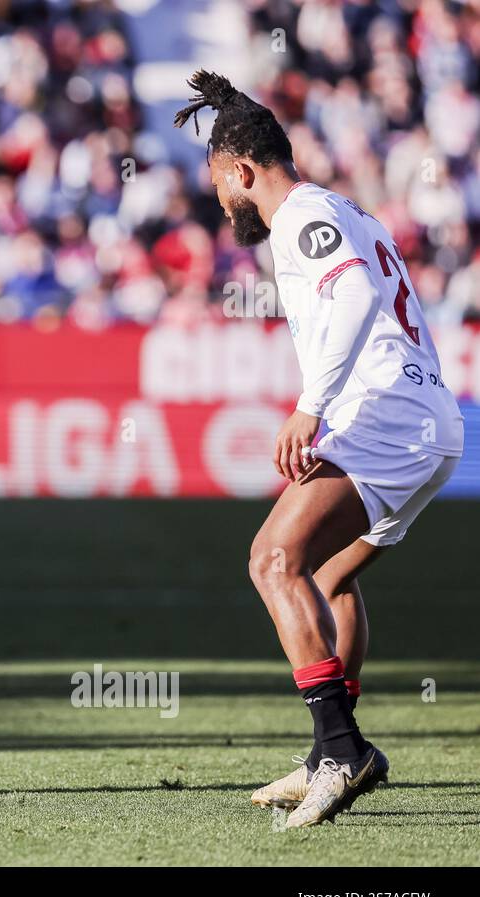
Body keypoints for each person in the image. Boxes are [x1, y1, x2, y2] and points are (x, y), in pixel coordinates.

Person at [174, 72, 465, 827]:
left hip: (390, 419)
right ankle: (331, 751)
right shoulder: (339, 208)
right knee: (329, 577)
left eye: (219, 186)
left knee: (272, 560)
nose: (221, 204)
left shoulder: (302, 215)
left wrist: (310, 409)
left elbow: (357, 297)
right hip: (428, 421)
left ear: (240, 170)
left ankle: (341, 747)